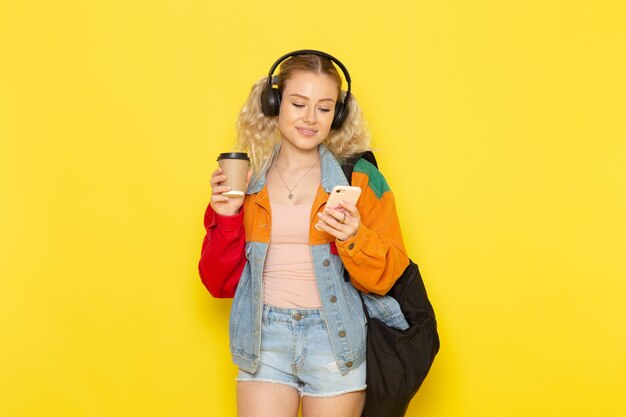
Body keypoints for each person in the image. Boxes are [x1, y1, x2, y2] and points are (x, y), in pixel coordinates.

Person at [198, 50, 410, 417]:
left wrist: (353, 237)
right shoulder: (245, 181)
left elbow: (389, 275)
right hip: (264, 340)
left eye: (325, 108)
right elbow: (219, 285)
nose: (310, 118)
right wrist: (227, 216)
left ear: (338, 115)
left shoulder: (359, 178)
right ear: (274, 103)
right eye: (298, 104)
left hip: (335, 340)